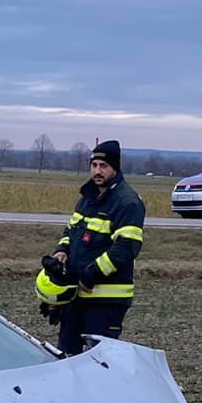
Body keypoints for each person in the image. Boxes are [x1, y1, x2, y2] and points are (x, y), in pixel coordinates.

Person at [37, 139, 144, 356]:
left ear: (115, 167)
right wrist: (62, 251)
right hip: (76, 297)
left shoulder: (128, 202)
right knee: (67, 356)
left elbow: (126, 248)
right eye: (94, 165)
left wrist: (90, 275)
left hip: (105, 301)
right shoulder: (87, 198)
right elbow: (71, 231)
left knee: (97, 361)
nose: (97, 171)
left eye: (103, 166)